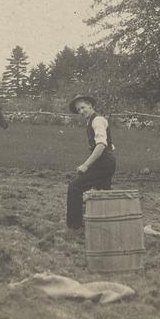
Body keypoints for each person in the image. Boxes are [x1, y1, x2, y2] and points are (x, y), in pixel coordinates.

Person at [66, 94, 117, 230]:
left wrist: (86, 165)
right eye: (78, 110)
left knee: (75, 187)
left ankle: (74, 226)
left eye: (83, 107)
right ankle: (106, 223)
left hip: (104, 162)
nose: (81, 112)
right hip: (106, 161)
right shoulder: (92, 121)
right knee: (102, 192)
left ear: (90, 105)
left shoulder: (97, 120)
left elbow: (101, 145)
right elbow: (110, 145)